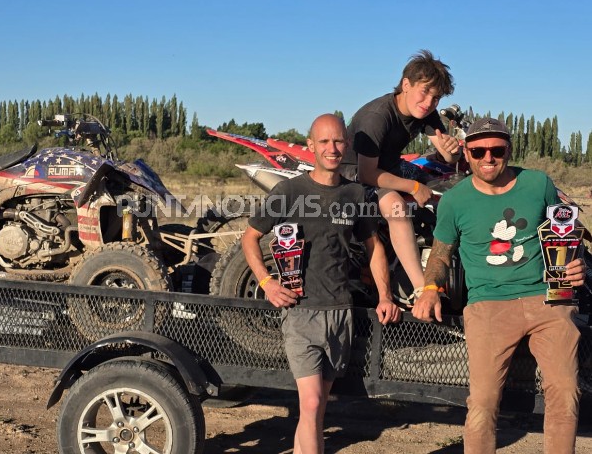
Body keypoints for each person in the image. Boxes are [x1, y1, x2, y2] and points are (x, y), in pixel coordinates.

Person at [412, 117, 587, 453]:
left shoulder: (538, 184)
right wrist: (430, 289)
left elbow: (565, 233)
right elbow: (439, 255)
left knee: (565, 391)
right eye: (478, 151)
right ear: (466, 152)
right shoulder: (454, 201)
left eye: (496, 149)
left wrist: (574, 261)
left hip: (547, 299)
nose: (488, 157)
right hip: (488, 305)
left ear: (509, 149)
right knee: (483, 400)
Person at [242, 113, 401, 454]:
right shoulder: (290, 190)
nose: (332, 148)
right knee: (312, 403)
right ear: (310, 146)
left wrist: (385, 296)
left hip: (340, 311)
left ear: (346, 145)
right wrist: (268, 282)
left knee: (316, 408)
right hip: (300, 312)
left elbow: (374, 247)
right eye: (324, 142)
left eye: (338, 141)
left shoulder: (355, 194)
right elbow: (250, 237)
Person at [342, 49, 461, 296]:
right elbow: (366, 174)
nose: (429, 102)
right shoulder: (378, 116)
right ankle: (420, 287)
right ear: (406, 85)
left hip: (390, 165)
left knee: (444, 184)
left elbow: (446, 152)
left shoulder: (424, 113)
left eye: (436, 97)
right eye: (425, 91)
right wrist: (414, 187)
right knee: (396, 205)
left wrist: (453, 153)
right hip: (353, 173)